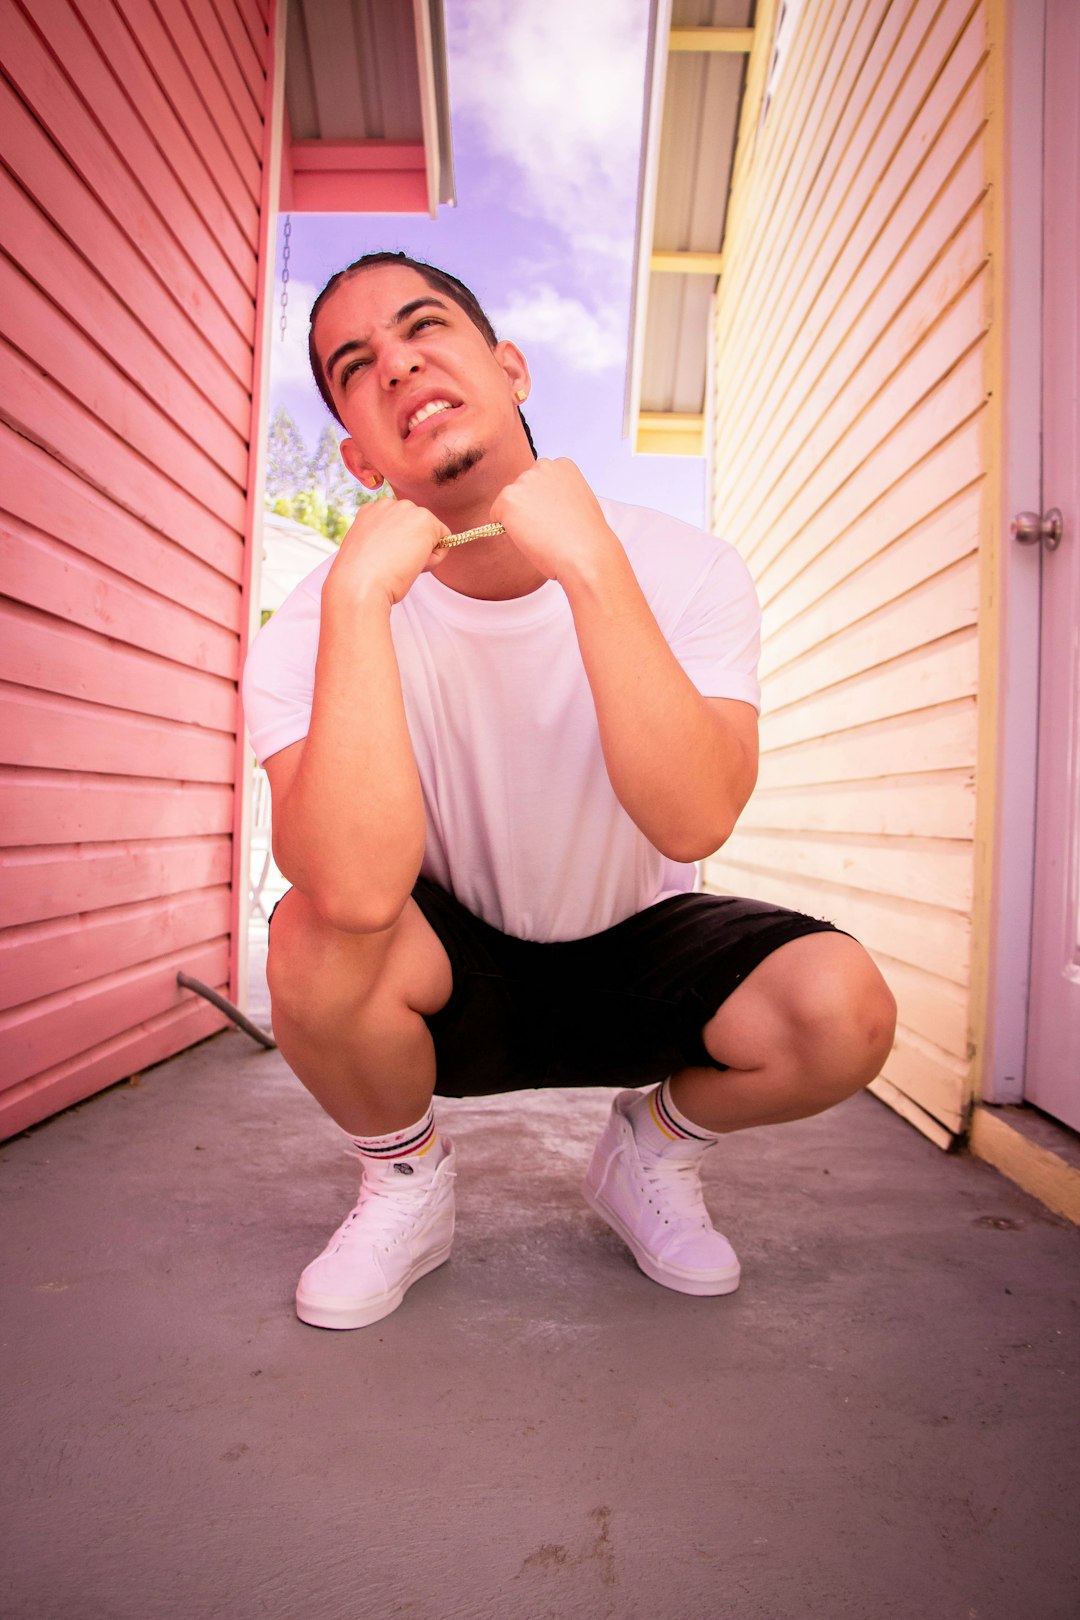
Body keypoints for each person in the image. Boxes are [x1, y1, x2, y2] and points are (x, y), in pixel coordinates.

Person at [242, 251, 897, 1331]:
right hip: (451, 973)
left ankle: (652, 1149)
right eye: (358, 366)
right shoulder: (320, 618)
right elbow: (353, 895)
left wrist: (589, 565)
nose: (401, 365)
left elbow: (695, 818)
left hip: (640, 945)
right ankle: (407, 1181)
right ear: (357, 456)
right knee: (311, 935)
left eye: (425, 330)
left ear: (510, 368)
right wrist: (360, 597)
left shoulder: (685, 567)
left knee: (840, 1011)